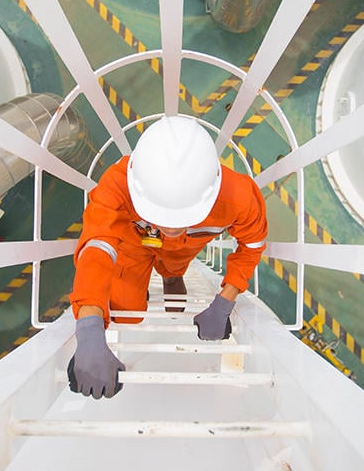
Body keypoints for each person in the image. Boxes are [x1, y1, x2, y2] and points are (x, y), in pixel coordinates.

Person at [66, 116, 268, 399]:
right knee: (126, 312)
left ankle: (171, 276)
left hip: (182, 253)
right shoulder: (117, 183)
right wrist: (89, 326)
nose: (171, 229)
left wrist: (225, 301)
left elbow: (252, 245)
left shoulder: (240, 196)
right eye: (161, 217)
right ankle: (155, 281)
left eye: (184, 218)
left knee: (174, 265)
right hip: (132, 246)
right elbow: (97, 247)